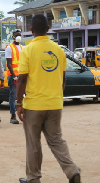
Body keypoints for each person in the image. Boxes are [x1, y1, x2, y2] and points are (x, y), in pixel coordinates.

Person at [16, 15, 81, 183]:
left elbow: (22, 79)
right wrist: (56, 97)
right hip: (55, 104)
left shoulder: (28, 50)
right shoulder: (59, 50)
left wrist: (18, 103)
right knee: (56, 140)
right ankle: (72, 171)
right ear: (48, 29)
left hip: (34, 105)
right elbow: (63, 78)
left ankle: (33, 178)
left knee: (33, 143)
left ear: (31, 30)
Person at [5, 29, 22, 124]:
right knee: (13, 96)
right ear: (13, 37)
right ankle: (13, 116)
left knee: (23, 96)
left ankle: (24, 115)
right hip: (13, 77)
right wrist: (14, 76)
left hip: (22, 76)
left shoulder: (22, 47)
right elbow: (9, 64)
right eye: (17, 35)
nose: (19, 36)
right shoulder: (9, 48)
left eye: (20, 34)